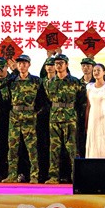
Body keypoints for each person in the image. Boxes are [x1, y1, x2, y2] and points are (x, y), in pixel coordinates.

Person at [2, 54, 45, 183]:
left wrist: (35, 113)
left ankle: (34, 175)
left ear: (29, 65)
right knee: (13, 147)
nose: (22, 66)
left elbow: (42, 99)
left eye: (24, 63)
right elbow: (6, 99)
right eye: (19, 63)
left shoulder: (36, 81)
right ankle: (12, 175)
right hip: (14, 117)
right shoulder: (11, 81)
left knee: (32, 148)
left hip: (29, 117)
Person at [43, 54, 84, 184]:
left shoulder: (75, 82)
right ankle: (53, 176)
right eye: (56, 63)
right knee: (54, 148)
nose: (58, 65)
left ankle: (76, 176)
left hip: (70, 118)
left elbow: (81, 100)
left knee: (72, 149)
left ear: (66, 64)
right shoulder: (49, 83)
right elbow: (47, 100)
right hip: (54, 118)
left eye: (61, 63)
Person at [85, 63, 105, 159]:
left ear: (104, 72)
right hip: (92, 119)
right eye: (94, 70)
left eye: (98, 70)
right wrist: (86, 123)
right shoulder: (89, 87)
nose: (96, 72)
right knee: (93, 141)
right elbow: (88, 106)